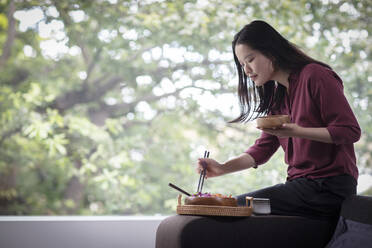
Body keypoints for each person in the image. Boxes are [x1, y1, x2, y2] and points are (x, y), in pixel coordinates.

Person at [196, 20, 361, 219]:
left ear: (271, 52)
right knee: (235, 206)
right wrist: (222, 167)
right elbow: (262, 149)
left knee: (234, 206)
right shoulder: (278, 97)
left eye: (250, 59)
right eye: (242, 65)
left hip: (329, 187)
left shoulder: (315, 75)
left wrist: (296, 131)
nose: (247, 71)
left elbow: (349, 131)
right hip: (300, 188)